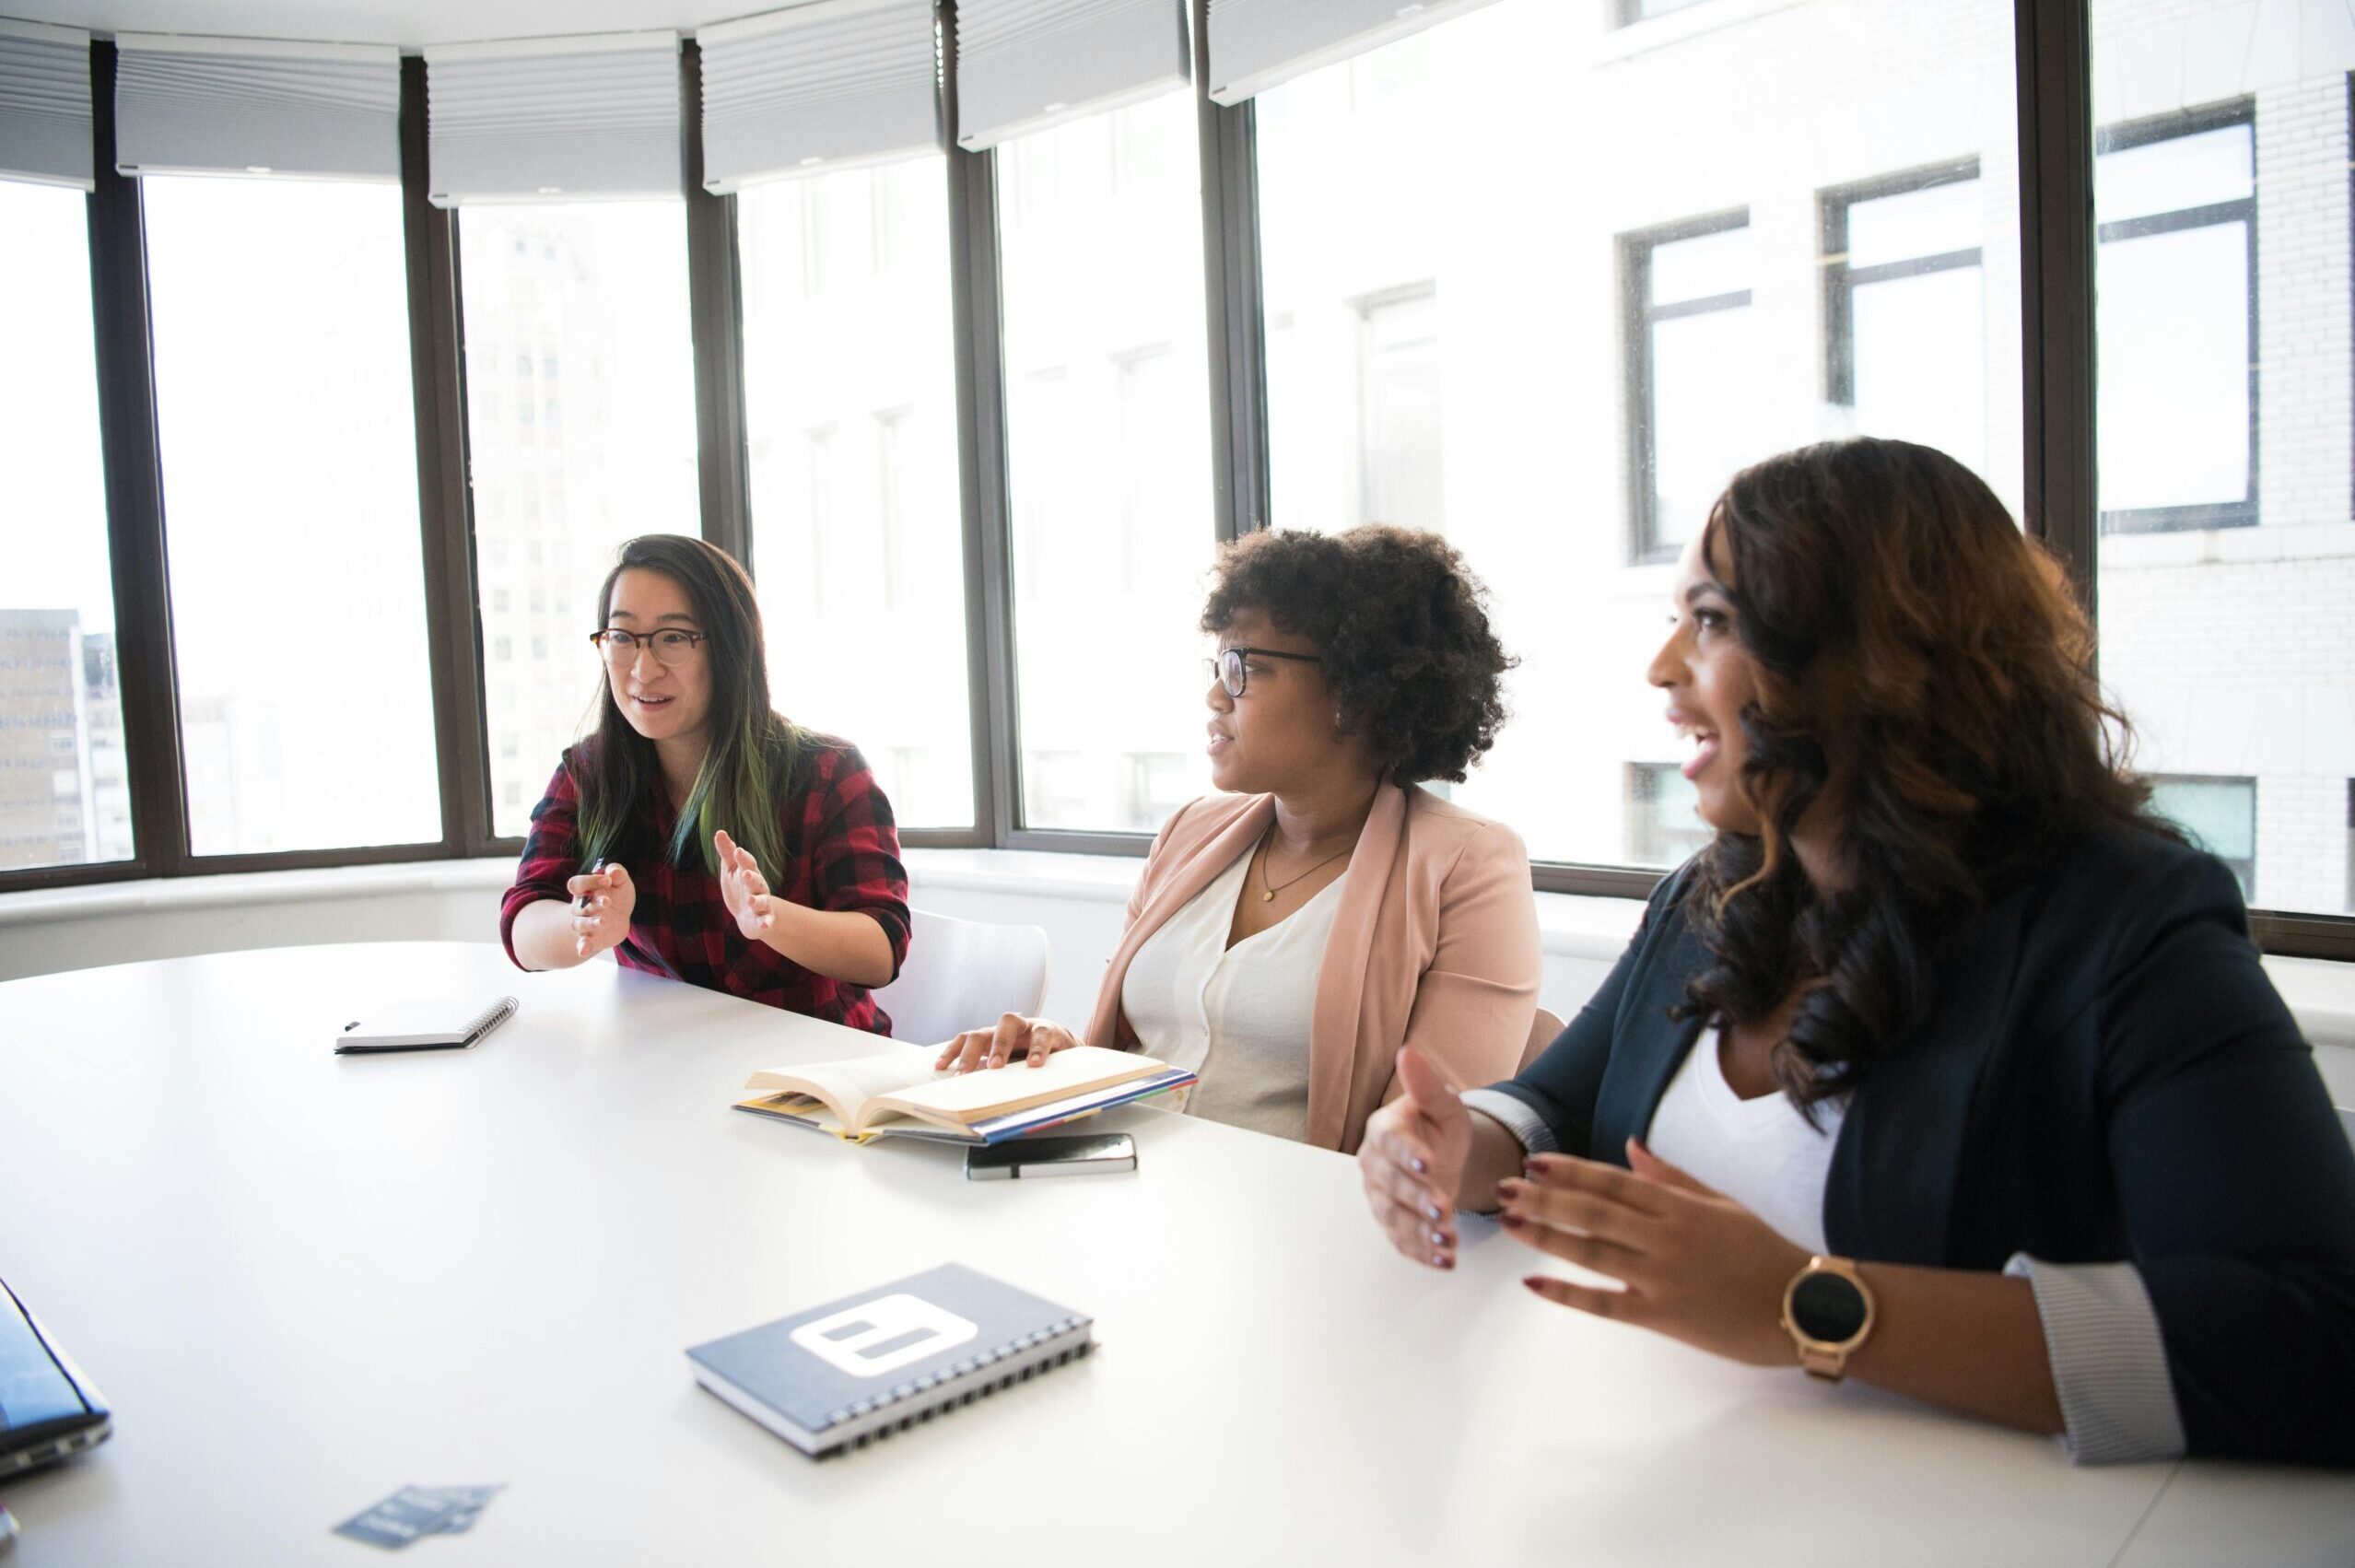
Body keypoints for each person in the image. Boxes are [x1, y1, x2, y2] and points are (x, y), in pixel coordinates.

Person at [1357, 438, 2355, 1465]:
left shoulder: (2129, 923)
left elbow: (2314, 1331)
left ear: (1879, 655)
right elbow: (1560, 1109)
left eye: (1710, 622)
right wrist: (1452, 1145)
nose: (1662, 668)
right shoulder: (1714, 891)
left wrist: (1810, 1305)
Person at [937, 524, 1540, 1153]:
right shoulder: (1189, 833)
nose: (1215, 695)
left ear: (1357, 697)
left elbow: (1425, 1148)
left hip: (1294, 1230)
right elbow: (1137, 1052)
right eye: (1217, 664)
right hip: (1112, 1191)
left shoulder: (1468, 867)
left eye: (1243, 667)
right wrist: (1056, 1056)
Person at [501, 534, 910, 1033]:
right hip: (667, 1065)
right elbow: (523, 925)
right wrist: (582, 923)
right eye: (623, 637)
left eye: (673, 638)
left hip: (812, 1075)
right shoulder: (589, 774)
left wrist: (769, 918)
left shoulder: (827, 771)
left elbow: (881, 950)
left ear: (728, 647)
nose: (643, 669)